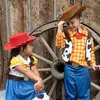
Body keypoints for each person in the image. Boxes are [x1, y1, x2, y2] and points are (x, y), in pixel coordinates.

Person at [56, 5, 100, 100]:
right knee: (70, 94)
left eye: (73, 23)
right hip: (69, 68)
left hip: (82, 69)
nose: (71, 26)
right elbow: (59, 44)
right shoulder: (67, 34)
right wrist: (60, 28)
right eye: (68, 24)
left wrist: (93, 64)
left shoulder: (87, 35)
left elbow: (91, 51)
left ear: (80, 20)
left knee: (83, 94)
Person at [4, 32, 52, 100]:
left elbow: (34, 70)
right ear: (21, 48)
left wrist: (39, 83)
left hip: (22, 84)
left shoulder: (31, 59)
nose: (32, 47)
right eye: (30, 45)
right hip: (16, 87)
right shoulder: (15, 60)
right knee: (34, 91)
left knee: (38, 90)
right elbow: (26, 71)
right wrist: (39, 79)